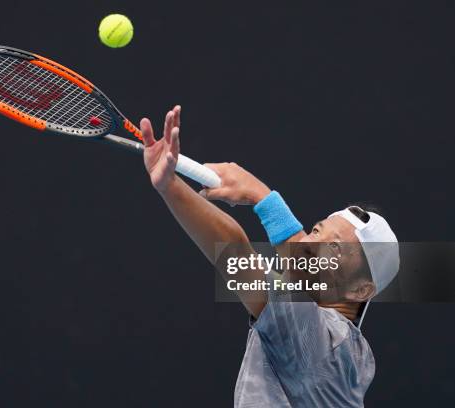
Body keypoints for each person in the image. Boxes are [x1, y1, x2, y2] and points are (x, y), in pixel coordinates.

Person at [139, 105, 399, 408]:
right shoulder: (349, 353)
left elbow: (236, 251)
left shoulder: (322, 341)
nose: (311, 243)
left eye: (336, 248)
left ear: (360, 290)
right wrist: (264, 200)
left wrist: (171, 186)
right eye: (317, 230)